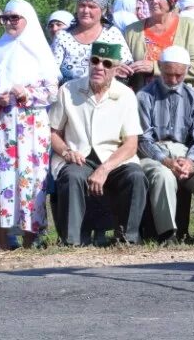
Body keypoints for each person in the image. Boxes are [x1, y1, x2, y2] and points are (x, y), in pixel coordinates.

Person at [0, 0, 59, 248]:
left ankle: (30, 239)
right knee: (1, 179)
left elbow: (52, 90)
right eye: (6, 18)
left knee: (30, 179)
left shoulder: (40, 51)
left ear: (27, 20)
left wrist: (27, 94)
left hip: (31, 125)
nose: (10, 23)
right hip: (0, 125)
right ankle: (2, 241)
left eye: (15, 18)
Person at [50, 43, 146, 246]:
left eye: (106, 63)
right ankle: (71, 241)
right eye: (94, 61)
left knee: (136, 176)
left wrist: (105, 168)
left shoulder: (126, 94)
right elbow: (53, 133)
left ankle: (127, 239)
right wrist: (66, 152)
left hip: (113, 159)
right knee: (72, 175)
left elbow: (131, 143)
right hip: (79, 157)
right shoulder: (68, 90)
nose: (99, 67)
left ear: (116, 70)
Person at [136, 47, 194, 243]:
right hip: (153, 153)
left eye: (179, 75)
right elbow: (143, 139)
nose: (173, 80)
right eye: (168, 74)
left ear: (187, 71)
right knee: (163, 175)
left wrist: (190, 161)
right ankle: (168, 233)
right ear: (160, 68)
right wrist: (166, 161)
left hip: (184, 152)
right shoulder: (144, 96)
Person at [123, 0, 194, 90]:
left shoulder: (189, 27)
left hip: (182, 99)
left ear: (172, 0)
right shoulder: (132, 30)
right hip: (145, 100)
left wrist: (155, 67)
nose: (154, 1)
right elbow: (124, 65)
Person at [51, 0, 131, 85]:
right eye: (82, 5)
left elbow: (126, 65)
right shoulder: (63, 36)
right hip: (68, 94)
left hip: (104, 94)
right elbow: (52, 71)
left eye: (91, 6)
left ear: (103, 11)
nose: (85, 10)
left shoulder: (112, 34)